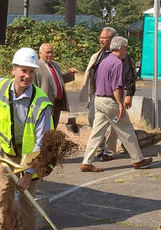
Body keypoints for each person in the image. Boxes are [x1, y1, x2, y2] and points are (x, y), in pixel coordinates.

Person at [0, 48, 52, 230]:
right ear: (14, 70)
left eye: (31, 72)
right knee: (3, 203)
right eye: (23, 71)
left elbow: (41, 143)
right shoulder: (1, 87)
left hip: (29, 160)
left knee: (27, 205)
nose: (27, 76)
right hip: (6, 157)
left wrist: (28, 174)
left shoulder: (42, 103)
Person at [83, 36, 152, 171]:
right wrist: (120, 104)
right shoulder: (117, 63)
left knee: (97, 132)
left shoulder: (105, 60)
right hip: (110, 101)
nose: (126, 51)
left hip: (99, 99)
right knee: (126, 129)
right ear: (121, 48)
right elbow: (116, 87)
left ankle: (86, 161)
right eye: (126, 48)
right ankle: (137, 159)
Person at [78, 27, 136, 168]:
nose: (102, 40)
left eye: (105, 38)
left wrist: (128, 95)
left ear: (113, 40)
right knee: (99, 124)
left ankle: (106, 153)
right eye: (101, 37)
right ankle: (137, 158)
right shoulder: (101, 56)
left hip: (108, 99)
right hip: (101, 97)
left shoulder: (121, 58)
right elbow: (114, 85)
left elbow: (128, 78)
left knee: (116, 126)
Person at [33, 42, 75, 129]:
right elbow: (33, 86)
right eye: (47, 52)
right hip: (45, 104)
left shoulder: (55, 65)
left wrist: (70, 74)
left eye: (51, 52)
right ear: (40, 53)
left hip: (57, 103)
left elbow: (60, 79)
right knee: (45, 128)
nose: (50, 54)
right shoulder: (36, 67)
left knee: (53, 127)